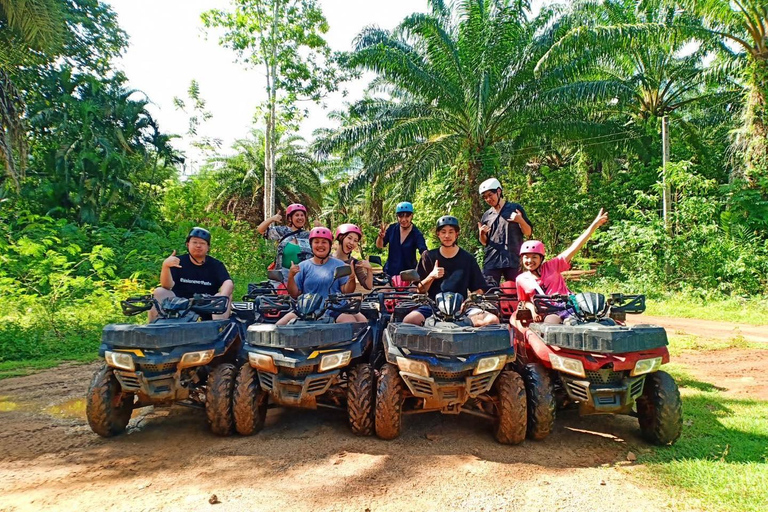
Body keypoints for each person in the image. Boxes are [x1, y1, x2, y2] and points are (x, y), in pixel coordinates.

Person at [516, 209, 609, 324]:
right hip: (550, 311)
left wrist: (594, 225)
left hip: (569, 306)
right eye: (526, 257)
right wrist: (533, 311)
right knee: (550, 324)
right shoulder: (521, 279)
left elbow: (574, 247)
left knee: (593, 319)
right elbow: (524, 301)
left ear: (541, 259)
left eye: (534, 257)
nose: (530, 260)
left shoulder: (553, 266)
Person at [403, 216, 498, 327]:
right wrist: (432, 276)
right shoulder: (428, 256)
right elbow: (420, 290)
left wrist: (468, 301)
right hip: (433, 306)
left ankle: (471, 341)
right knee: (409, 320)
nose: (447, 236)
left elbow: (479, 288)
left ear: (457, 234)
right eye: (443, 232)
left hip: (462, 307)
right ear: (438, 234)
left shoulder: (467, 258)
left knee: (492, 320)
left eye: (451, 232)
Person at [278, 227, 366, 325]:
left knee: (350, 323)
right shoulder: (303, 266)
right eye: (316, 242)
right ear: (311, 245)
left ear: (330, 245)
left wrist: (351, 278)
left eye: (324, 242)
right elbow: (295, 293)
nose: (320, 245)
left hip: (334, 308)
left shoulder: (339, 265)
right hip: (306, 310)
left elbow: (346, 291)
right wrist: (291, 277)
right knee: (279, 326)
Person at [151, 227, 234, 322]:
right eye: (194, 242)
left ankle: (219, 329)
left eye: (202, 243)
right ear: (188, 244)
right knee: (159, 291)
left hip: (208, 307)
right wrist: (165, 266)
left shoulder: (216, 265)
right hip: (179, 306)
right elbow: (166, 286)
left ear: (208, 247)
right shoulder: (177, 261)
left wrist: (222, 296)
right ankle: (153, 329)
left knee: (226, 294)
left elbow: (228, 282)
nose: (198, 246)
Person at [477, 178, 533, 285]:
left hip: (513, 259)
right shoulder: (486, 215)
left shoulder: (514, 208)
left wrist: (520, 220)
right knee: (489, 293)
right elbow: (484, 242)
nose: (488, 199)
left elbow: (528, 232)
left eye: (490, 195)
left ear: (498, 191)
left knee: (514, 293)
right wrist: (482, 233)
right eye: (485, 197)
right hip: (492, 260)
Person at [257, 203, 312, 279]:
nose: (300, 218)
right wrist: (272, 219)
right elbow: (260, 229)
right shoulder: (282, 231)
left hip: (303, 275)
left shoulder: (309, 235)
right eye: (297, 215)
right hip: (283, 275)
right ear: (290, 218)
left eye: (302, 215)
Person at [376, 201, 428, 278]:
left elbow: (423, 251)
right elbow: (380, 246)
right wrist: (380, 237)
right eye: (400, 216)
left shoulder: (416, 234)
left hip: (409, 276)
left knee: (414, 290)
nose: (403, 219)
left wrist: (430, 258)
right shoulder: (392, 229)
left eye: (407, 216)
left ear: (411, 216)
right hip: (390, 273)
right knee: (384, 290)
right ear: (397, 217)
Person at [333, 223, 374, 290]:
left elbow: (368, 286)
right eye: (349, 238)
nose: (352, 243)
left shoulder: (355, 263)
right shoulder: (327, 259)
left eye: (355, 241)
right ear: (341, 237)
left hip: (344, 299)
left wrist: (369, 270)